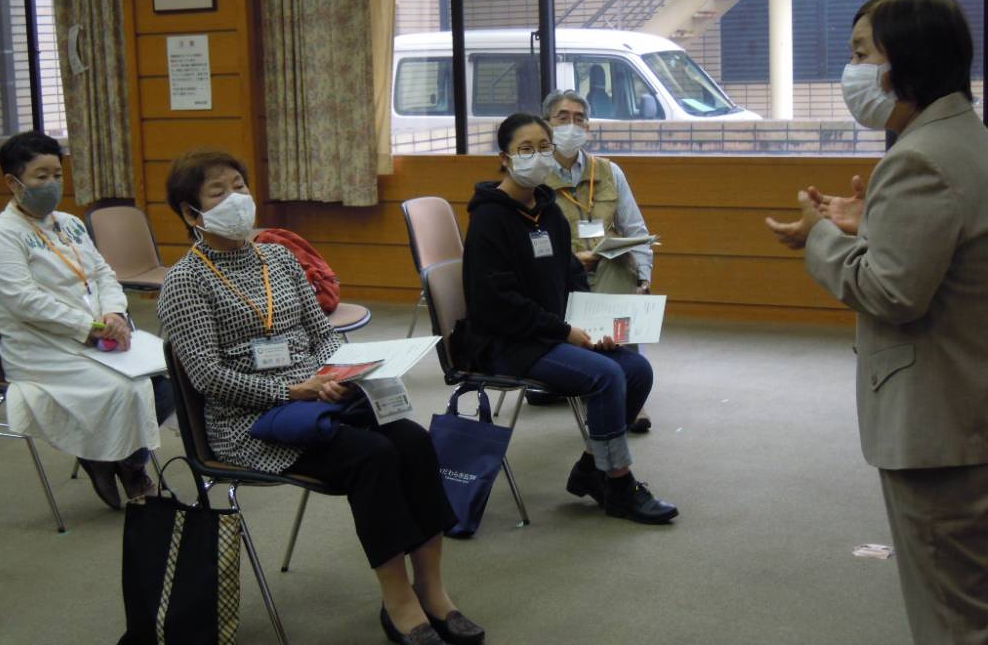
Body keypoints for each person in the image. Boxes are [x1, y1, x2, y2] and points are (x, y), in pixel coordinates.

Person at [156, 151, 483, 645]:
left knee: (413, 441)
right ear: (190, 214)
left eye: (240, 186)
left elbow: (322, 334)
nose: (237, 199)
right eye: (218, 192)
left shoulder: (278, 257)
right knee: (372, 456)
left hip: (321, 401)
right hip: (252, 424)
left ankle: (433, 591)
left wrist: (342, 372)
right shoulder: (184, 282)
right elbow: (208, 378)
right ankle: (399, 603)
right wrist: (291, 389)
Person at [765, 0, 988, 644]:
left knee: (952, 616)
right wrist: (870, 226)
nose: (850, 70)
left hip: (940, 424)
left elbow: (893, 293)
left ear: (907, 59)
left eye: (861, 52)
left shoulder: (918, 157)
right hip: (970, 407)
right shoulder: (965, 139)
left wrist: (820, 237)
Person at [452, 113, 678, 525]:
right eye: (525, 149)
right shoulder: (489, 219)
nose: (537, 156)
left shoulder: (547, 210)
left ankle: (592, 468)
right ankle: (619, 485)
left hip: (550, 335)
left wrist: (596, 327)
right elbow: (497, 304)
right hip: (507, 344)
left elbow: (571, 278)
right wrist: (565, 332)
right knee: (606, 377)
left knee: (637, 370)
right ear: (504, 158)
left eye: (544, 147)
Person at [0, 131, 172, 509]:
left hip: (99, 333)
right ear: (12, 181)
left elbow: (103, 273)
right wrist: (88, 327)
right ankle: (122, 465)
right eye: (41, 176)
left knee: (168, 379)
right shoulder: (0, 236)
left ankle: (119, 459)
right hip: (42, 346)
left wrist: (115, 313)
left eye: (57, 175)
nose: (52, 184)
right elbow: (25, 301)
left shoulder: (69, 223)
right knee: (129, 388)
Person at [543, 89, 656, 433]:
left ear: (588, 128)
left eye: (579, 119)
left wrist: (644, 279)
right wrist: (574, 262)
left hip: (606, 270)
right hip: (559, 275)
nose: (572, 125)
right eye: (563, 118)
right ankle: (600, 385)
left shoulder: (608, 171)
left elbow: (636, 228)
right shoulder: (535, 176)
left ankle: (625, 393)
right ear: (547, 125)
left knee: (624, 273)